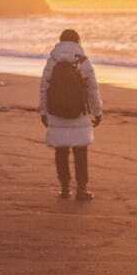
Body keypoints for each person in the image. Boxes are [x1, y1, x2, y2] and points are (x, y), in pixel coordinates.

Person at [39, 28, 102, 200]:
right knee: (80, 152)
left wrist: (44, 112)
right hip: (79, 113)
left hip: (56, 112)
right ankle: (82, 189)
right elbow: (92, 90)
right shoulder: (83, 61)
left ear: (60, 42)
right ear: (78, 41)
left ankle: (65, 188)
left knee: (61, 151)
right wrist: (98, 112)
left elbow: (44, 88)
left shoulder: (52, 61)